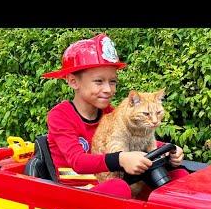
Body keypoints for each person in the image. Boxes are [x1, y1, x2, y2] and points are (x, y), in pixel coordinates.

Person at [42, 33, 185, 199]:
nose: (109, 90)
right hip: (78, 193)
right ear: (73, 81)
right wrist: (121, 158)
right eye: (99, 81)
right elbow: (78, 161)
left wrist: (167, 150)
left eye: (113, 82)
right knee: (118, 188)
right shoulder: (60, 115)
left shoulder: (110, 112)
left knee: (178, 176)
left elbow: (136, 139)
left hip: (112, 182)